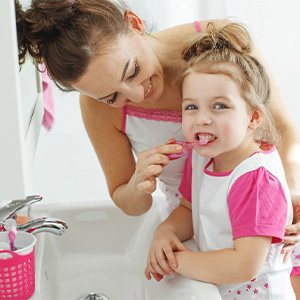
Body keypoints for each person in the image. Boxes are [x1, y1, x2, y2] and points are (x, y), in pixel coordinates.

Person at [17, 0, 300, 294]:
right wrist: (139, 185)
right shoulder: (198, 162)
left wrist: (290, 196)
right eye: (112, 97)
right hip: (199, 230)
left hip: (265, 223)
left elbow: (281, 129)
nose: (137, 95)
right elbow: (128, 197)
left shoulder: (218, 45)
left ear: (135, 24)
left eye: (132, 70)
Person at [144, 21, 295, 299]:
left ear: (253, 117)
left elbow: (244, 265)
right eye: (191, 106)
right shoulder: (204, 156)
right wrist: (164, 233)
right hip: (217, 288)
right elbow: (189, 208)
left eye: (219, 106)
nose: (202, 118)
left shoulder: (256, 178)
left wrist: (175, 261)